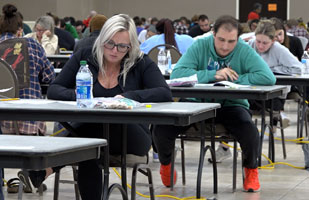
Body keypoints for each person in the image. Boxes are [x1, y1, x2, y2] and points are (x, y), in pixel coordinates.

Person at [46, 14, 172, 200]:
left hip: (132, 134)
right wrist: (81, 96)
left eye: (122, 46)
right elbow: (54, 89)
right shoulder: (85, 57)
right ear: (102, 39)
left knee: (88, 137)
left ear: (131, 46)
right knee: (89, 148)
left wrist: (130, 96)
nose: (114, 50)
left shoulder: (140, 62)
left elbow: (164, 92)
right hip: (92, 134)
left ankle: (45, 168)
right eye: (110, 43)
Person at [153, 15, 276, 192]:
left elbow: (267, 77)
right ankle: (166, 165)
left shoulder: (243, 50)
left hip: (231, 105)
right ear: (212, 33)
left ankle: (251, 170)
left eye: (231, 41)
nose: (225, 46)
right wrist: (213, 74)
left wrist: (235, 78)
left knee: (249, 130)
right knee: (161, 127)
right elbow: (177, 74)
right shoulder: (200, 45)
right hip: (195, 103)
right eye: (221, 40)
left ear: (238, 39)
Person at [0, 3, 55, 193]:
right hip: (29, 122)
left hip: (1, 125)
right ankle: (33, 176)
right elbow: (50, 78)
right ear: (20, 30)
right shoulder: (32, 44)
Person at [248, 20, 302, 131]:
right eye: (258, 41)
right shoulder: (251, 44)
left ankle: (276, 122)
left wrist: (270, 70)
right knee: (237, 105)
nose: (260, 46)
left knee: (271, 105)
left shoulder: (280, 50)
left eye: (265, 43)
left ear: (273, 40)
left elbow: (298, 68)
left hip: (276, 92)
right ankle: (227, 144)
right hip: (254, 89)